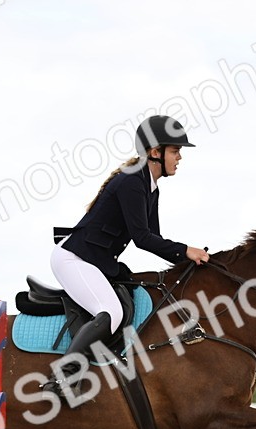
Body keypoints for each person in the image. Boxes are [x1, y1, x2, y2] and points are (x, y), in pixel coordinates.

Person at [42, 114, 211, 400]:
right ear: (155, 152)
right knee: (112, 312)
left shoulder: (150, 186)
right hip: (73, 259)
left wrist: (186, 262)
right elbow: (142, 238)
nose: (180, 157)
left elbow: (153, 237)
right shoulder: (133, 181)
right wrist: (186, 250)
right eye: (175, 151)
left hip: (94, 261)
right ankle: (61, 378)